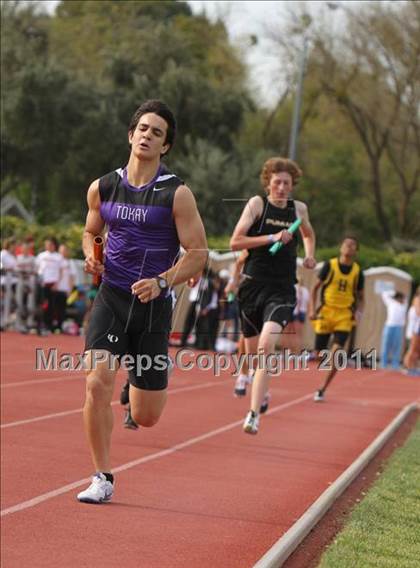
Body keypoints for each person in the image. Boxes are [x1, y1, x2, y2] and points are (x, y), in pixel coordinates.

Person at [77, 100, 207, 503]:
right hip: (112, 296)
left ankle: (136, 386)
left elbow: (199, 252)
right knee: (96, 381)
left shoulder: (176, 194)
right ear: (130, 135)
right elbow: (90, 230)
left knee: (147, 417)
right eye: (143, 129)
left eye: (158, 133)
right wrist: (92, 253)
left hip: (152, 306)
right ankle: (102, 477)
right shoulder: (103, 186)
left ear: (165, 146)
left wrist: (163, 280)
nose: (148, 136)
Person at [230, 157, 316, 434]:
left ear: (292, 186)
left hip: (282, 289)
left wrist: (310, 256)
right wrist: (272, 238)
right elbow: (236, 241)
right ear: (268, 183)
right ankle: (260, 388)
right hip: (253, 286)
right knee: (253, 352)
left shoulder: (299, 209)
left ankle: (253, 414)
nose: (281, 188)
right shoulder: (257, 205)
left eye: (286, 183)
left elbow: (309, 235)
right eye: (277, 182)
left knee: (267, 347)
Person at [310, 236, 364, 402]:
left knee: (337, 354)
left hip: (344, 316)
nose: (349, 247)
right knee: (318, 354)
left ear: (356, 251)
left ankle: (322, 389)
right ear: (341, 248)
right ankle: (317, 355)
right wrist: (312, 309)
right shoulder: (330, 265)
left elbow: (361, 298)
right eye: (346, 244)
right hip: (326, 313)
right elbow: (315, 288)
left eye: (352, 245)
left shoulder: (357, 272)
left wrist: (359, 313)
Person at [35, 237, 63, 334]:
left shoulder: (58, 257)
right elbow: (37, 269)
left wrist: (57, 283)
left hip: (53, 284)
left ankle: (49, 325)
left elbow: (61, 271)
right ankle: (39, 324)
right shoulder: (41, 256)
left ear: (54, 246)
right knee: (42, 305)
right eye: (47, 244)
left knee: (52, 306)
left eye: (50, 244)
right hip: (43, 283)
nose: (49, 246)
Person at [379, 290, 407, 370]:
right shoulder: (391, 302)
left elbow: (406, 299)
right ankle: (383, 363)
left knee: (396, 346)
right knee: (385, 345)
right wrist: (394, 292)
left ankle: (395, 364)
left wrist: (402, 298)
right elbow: (384, 293)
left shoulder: (404, 305)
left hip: (399, 327)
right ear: (398, 298)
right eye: (401, 298)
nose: (403, 299)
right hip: (389, 326)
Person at [56, 244, 78, 332]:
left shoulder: (70, 262)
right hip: (55, 288)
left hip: (64, 289)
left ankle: (60, 326)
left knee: (62, 308)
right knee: (53, 307)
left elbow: (72, 277)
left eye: (64, 250)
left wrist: (70, 289)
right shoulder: (55, 261)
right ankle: (52, 325)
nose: (62, 252)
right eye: (61, 250)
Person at [403, 286, 420, 375]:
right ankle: (407, 367)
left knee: (416, 349)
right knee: (412, 348)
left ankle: (414, 366)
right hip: (414, 328)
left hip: (416, 327)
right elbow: (418, 312)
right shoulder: (417, 299)